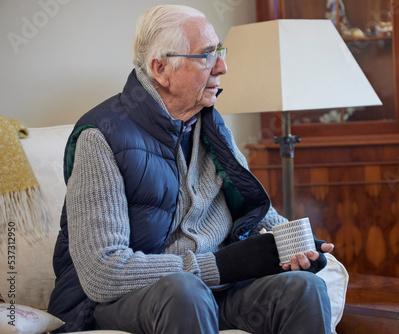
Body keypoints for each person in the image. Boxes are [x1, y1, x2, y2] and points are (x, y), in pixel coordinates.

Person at [47, 5, 334, 334]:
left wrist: (299, 246)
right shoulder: (101, 137)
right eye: (207, 55)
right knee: (185, 291)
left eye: (220, 52)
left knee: (302, 289)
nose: (223, 67)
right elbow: (103, 273)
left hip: (212, 292)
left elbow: (260, 215)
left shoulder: (210, 126)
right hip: (123, 303)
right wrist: (223, 265)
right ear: (161, 68)